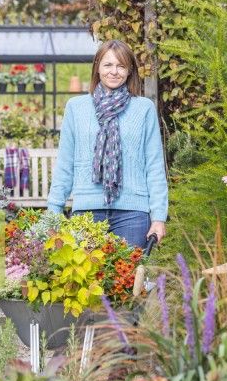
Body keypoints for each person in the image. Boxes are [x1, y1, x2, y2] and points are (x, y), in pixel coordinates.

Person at [46, 39, 168, 248]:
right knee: (86, 279)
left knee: (129, 280)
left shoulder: (144, 109)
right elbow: (65, 164)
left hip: (133, 214)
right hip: (86, 212)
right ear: (97, 68)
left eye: (121, 66)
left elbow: (154, 166)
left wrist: (158, 217)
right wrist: (54, 210)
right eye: (108, 65)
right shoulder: (76, 108)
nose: (114, 71)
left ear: (130, 71)